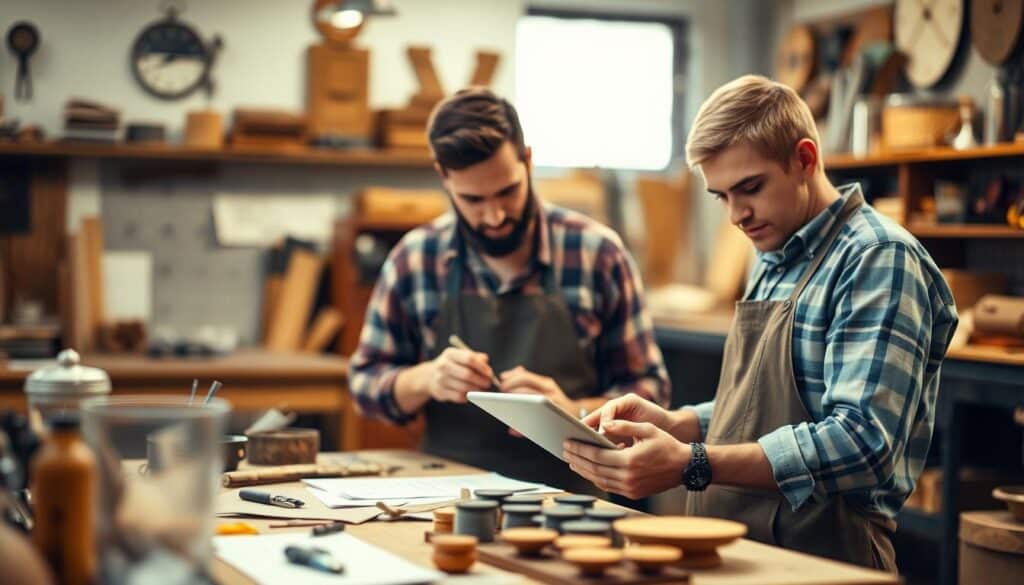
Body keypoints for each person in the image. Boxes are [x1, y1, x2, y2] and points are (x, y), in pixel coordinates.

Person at [562, 75, 958, 570]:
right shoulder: (771, 253)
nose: (736, 215)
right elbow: (760, 408)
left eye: (749, 188)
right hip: (735, 549)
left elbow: (862, 442)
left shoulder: (878, 259)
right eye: (721, 196)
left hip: (824, 556)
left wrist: (692, 463)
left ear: (805, 159)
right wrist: (679, 425)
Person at [349, 88, 670, 493]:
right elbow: (364, 386)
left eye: (507, 191)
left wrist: (574, 411)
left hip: (571, 504)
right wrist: (427, 378)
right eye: (473, 199)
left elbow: (652, 392)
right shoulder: (415, 259)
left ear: (528, 160)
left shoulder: (596, 254)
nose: (495, 216)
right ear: (443, 177)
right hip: (446, 501)